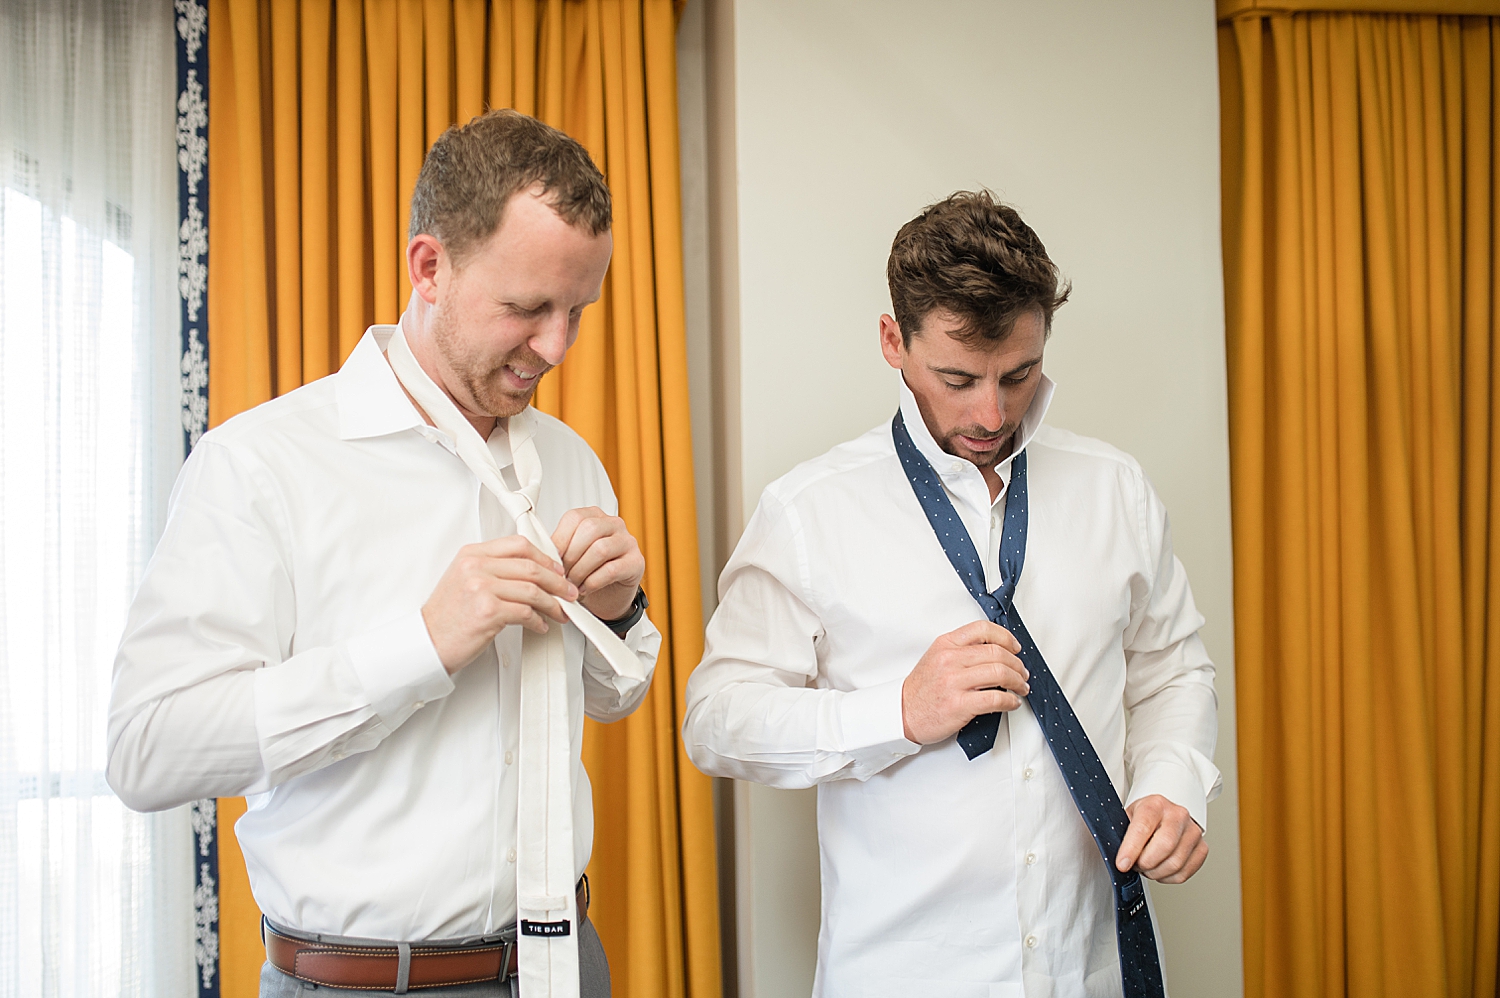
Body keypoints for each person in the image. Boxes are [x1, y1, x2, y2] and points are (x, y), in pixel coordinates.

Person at [107, 109, 657, 998]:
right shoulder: (259, 465)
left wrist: (617, 616)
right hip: (360, 984)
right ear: (429, 267)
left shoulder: (571, 460)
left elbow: (612, 698)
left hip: (564, 967)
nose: (555, 348)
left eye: (575, 312)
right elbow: (146, 751)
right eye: (526, 309)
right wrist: (420, 645)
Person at [682, 191, 1220, 997]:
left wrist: (1173, 785)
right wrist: (895, 711)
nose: (992, 413)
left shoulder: (1116, 491)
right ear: (893, 342)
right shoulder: (810, 512)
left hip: (1093, 967)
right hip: (907, 973)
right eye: (958, 378)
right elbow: (716, 721)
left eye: (1021, 373)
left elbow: (1173, 672)